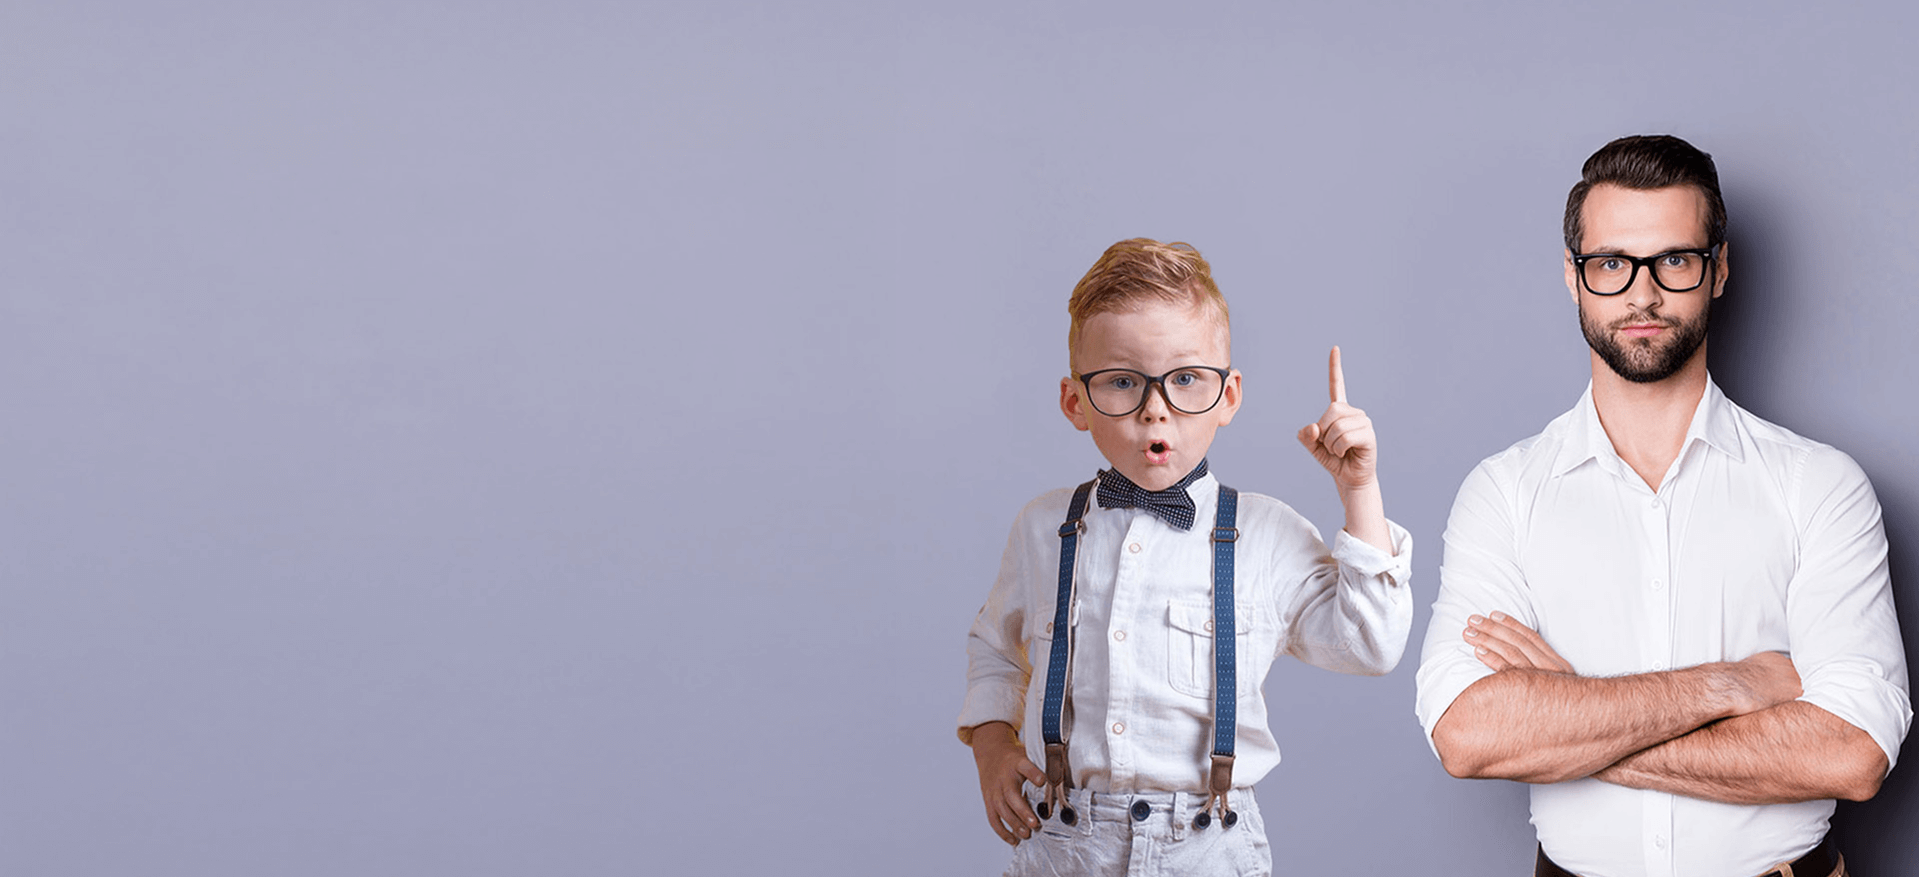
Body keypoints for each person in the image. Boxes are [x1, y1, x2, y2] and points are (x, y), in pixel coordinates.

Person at [1414, 135, 1911, 877]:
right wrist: (1729, 686)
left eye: (1673, 261)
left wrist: (1569, 719)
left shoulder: (1819, 486)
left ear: (1718, 270)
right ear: (1573, 276)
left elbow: (1852, 752)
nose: (1641, 295)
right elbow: (1466, 733)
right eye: (1611, 263)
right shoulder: (1504, 492)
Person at [959, 238, 1412, 876]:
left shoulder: (1265, 534)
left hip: (1207, 847)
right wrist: (991, 748)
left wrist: (1359, 490)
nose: (1155, 410)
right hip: (1062, 845)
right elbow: (995, 651)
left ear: (1228, 396)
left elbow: (1372, 644)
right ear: (1075, 402)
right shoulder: (1042, 528)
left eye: (1186, 380)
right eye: (1122, 382)